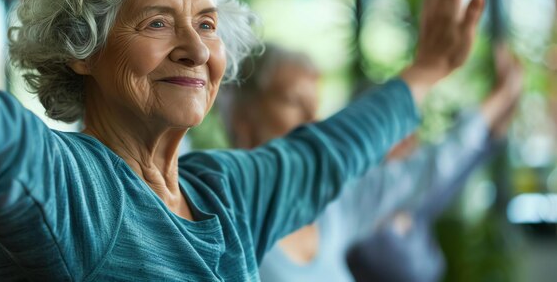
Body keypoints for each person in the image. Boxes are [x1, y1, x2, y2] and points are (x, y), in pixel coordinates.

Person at [0, 0, 484, 280]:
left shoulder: (226, 194)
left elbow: (327, 153)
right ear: (84, 45)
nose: (196, 49)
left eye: (206, 24)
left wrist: (427, 70)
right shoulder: (77, 192)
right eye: (157, 22)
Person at [221, 45, 521, 282]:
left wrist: (497, 101)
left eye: (316, 106)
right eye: (294, 101)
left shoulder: (333, 208)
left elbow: (432, 168)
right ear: (242, 118)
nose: (314, 122)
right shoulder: (220, 227)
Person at [347, 45, 523, 282]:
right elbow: (442, 162)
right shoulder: (363, 205)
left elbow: (465, 160)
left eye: (412, 128)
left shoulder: (412, 200)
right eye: (401, 131)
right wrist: (500, 96)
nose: (412, 139)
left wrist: (508, 100)